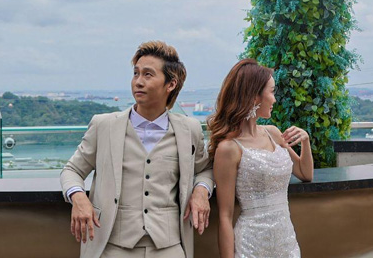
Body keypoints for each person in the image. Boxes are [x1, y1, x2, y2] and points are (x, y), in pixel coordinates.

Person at [61, 41, 215, 258]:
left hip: (169, 247)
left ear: (171, 84)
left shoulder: (188, 129)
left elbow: (205, 169)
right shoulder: (103, 125)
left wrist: (201, 191)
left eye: (148, 75)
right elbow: (71, 170)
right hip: (113, 246)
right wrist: (78, 197)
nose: (138, 82)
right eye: (136, 73)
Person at [208, 59, 313, 258]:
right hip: (251, 246)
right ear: (255, 96)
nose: (274, 99)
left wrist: (305, 141)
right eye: (271, 92)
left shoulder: (273, 133)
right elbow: (225, 216)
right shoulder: (229, 148)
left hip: (286, 242)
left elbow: (305, 174)